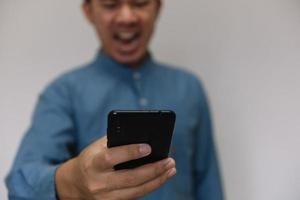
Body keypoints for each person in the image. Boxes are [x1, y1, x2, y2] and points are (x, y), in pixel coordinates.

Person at [6, 0, 224, 199]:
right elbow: (20, 183)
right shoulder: (63, 92)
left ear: (157, 7)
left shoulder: (190, 87)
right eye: (110, 5)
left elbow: (208, 184)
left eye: (140, 3)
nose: (127, 17)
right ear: (88, 11)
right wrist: (72, 179)